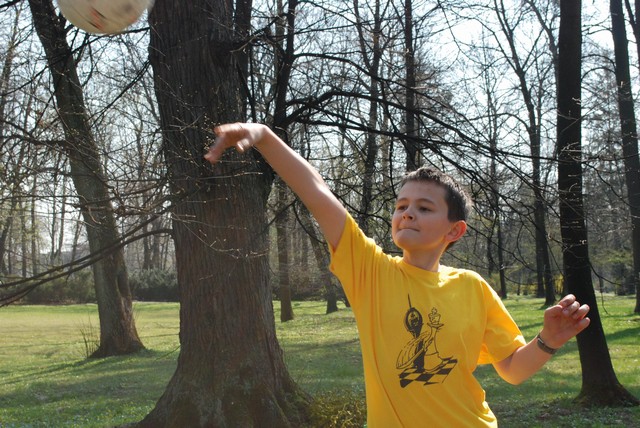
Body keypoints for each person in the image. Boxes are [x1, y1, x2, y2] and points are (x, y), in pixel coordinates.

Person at [204, 123, 591, 427]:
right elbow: (317, 193)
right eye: (401, 205)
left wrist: (548, 340)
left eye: (424, 207)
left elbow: (512, 370)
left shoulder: (473, 287)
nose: (407, 213)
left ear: (454, 230)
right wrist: (264, 137)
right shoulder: (371, 272)